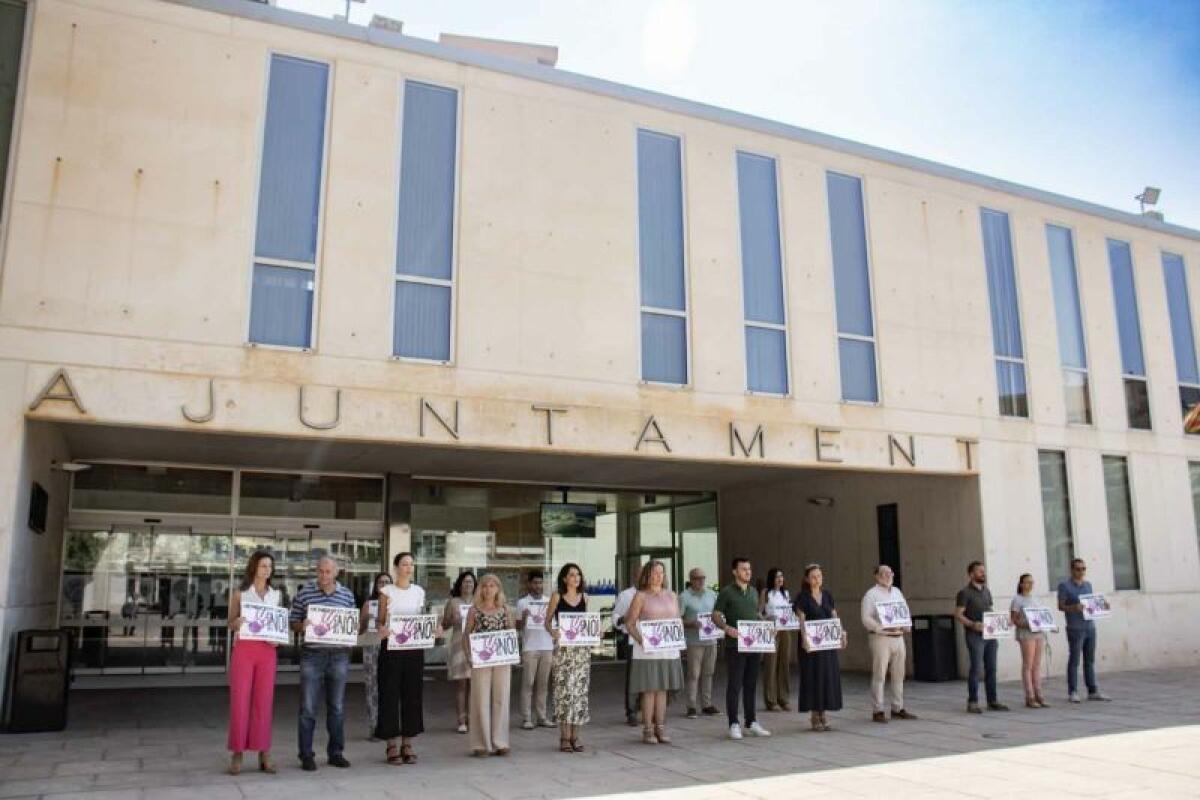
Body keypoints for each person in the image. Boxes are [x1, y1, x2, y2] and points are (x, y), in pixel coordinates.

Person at [290, 555, 357, 771]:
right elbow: (292, 623)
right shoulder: (305, 593)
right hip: (312, 655)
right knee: (307, 708)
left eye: (328, 572)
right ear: (316, 571)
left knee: (336, 708)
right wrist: (303, 625)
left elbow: (351, 626)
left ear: (336, 573)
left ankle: (336, 753)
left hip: (339, 656)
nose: (324, 575)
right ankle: (306, 755)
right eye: (320, 571)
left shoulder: (346, 595)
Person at [376, 552, 439, 765]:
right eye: (404, 564)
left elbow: (422, 618)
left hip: (413, 649)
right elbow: (380, 621)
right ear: (396, 567)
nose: (408, 568)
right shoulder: (386, 591)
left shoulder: (419, 591)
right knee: (390, 693)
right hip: (392, 648)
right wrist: (382, 629)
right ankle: (391, 744)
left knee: (412, 694)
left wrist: (432, 629)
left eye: (411, 564)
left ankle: (408, 741)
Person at [226, 550, 281, 775]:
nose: (266, 570)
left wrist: (278, 638)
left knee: (264, 702)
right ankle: (237, 752)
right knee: (240, 701)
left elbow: (278, 623)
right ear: (253, 568)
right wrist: (236, 622)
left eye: (269, 566)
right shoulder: (240, 593)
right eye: (262, 566)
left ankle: (264, 752)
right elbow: (229, 623)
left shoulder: (276, 595)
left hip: (267, 651)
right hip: (244, 650)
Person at [712, 556, 771, 740]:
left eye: (749, 569)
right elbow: (715, 615)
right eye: (744, 569)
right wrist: (725, 627)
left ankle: (751, 721)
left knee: (751, 684)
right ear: (735, 571)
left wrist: (767, 627)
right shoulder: (727, 592)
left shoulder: (754, 592)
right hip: (735, 646)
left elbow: (755, 614)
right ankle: (733, 723)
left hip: (753, 644)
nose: (748, 572)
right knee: (735, 685)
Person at [626, 559, 684, 744]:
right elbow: (629, 623)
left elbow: (677, 621)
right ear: (647, 575)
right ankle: (648, 729)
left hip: (668, 650)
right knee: (650, 690)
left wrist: (678, 641)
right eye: (654, 572)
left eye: (661, 572)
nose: (658, 576)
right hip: (647, 650)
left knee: (663, 689)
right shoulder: (640, 596)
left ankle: (661, 727)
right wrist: (642, 640)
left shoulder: (672, 595)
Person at [463, 573, 515, 757]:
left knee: (501, 698)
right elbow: (466, 634)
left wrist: (511, 654)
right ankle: (481, 744)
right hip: (481, 660)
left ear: (498, 589)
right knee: (480, 699)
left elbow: (511, 632)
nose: (488, 589)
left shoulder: (506, 609)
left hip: (502, 660)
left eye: (492, 585)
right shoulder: (474, 610)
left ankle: (500, 741)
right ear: (480, 589)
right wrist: (469, 655)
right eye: (485, 585)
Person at [860, 564, 917, 723]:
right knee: (880, 675)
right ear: (876, 576)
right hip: (881, 639)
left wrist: (907, 625)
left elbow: (905, 611)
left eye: (889, 572)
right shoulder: (871, 595)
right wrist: (880, 628)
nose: (887, 575)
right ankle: (877, 710)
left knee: (899, 674)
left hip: (898, 637)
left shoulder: (897, 592)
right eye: (883, 573)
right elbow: (866, 618)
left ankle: (897, 708)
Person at [793, 564, 845, 731]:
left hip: (827, 645)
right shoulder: (803, 597)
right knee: (813, 677)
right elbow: (801, 620)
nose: (817, 579)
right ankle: (815, 715)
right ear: (807, 579)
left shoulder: (828, 595)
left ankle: (824, 714)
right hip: (811, 645)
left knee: (827, 677)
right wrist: (804, 639)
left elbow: (834, 616)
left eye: (820, 576)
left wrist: (841, 632)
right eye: (814, 576)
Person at [547, 562, 591, 753]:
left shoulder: (585, 598)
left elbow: (586, 623)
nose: (576, 578)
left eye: (578, 575)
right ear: (565, 578)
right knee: (564, 692)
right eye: (572, 575)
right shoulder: (557, 596)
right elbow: (546, 622)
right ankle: (564, 736)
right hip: (563, 650)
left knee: (579, 692)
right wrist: (553, 632)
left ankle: (576, 735)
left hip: (581, 651)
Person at [953, 561, 1008, 714]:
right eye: (979, 571)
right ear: (971, 574)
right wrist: (972, 624)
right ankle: (973, 701)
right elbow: (958, 614)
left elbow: (990, 609)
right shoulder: (964, 593)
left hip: (990, 634)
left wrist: (1002, 622)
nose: (983, 573)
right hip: (974, 635)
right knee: (976, 668)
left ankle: (993, 700)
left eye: (984, 571)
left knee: (992, 668)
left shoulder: (986, 591)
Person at [1057, 558, 1110, 703]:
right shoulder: (1064, 586)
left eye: (1083, 569)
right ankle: (1072, 691)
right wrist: (1074, 607)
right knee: (1074, 660)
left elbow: (1092, 603)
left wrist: (1102, 606)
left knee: (1090, 660)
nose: (1081, 572)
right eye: (1078, 569)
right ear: (1072, 570)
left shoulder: (1088, 585)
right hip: (1075, 627)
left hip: (1090, 626)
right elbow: (1060, 606)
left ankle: (1092, 690)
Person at [679, 567, 719, 718]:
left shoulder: (711, 594)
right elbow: (678, 619)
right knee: (694, 674)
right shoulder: (684, 597)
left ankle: (707, 704)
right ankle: (691, 706)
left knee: (709, 672)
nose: (701, 580)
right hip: (694, 640)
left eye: (703, 577)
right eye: (697, 578)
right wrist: (691, 623)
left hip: (711, 639)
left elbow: (717, 613)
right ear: (691, 580)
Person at [517, 570, 555, 729]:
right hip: (530, 648)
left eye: (540, 583)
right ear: (529, 584)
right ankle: (526, 718)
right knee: (528, 683)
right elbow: (517, 627)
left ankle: (542, 716)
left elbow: (554, 624)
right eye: (535, 583)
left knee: (543, 684)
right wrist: (524, 618)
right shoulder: (522, 603)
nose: (538, 586)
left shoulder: (549, 602)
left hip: (547, 646)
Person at [441, 571, 477, 733]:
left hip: (476, 645)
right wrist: (452, 620)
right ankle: (461, 719)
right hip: (458, 644)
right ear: (460, 584)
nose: (468, 585)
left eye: (471, 582)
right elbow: (444, 624)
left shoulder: (479, 602)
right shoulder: (453, 602)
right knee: (461, 683)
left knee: (475, 684)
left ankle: (473, 717)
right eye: (465, 582)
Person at [359, 572, 391, 739]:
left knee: (388, 687)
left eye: (387, 581)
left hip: (390, 647)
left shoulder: (395, 603)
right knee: (372, 687)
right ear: (376, 585)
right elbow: (359, 629)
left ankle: (387, 726)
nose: (384, 584)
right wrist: (366, 620)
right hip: (371, 646)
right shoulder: (368, 604)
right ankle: (374, 726)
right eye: (381, 581)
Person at [610, 564, 643, 726]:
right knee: (633, 677)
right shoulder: (625, 595)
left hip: (651, 642)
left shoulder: (653, 594)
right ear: (634, 577)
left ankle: (646, 709)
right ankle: (631, 711)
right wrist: (626, 617)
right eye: (640, 575)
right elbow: (615, 618)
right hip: (632, 641)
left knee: (648, 676)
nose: (643, 578)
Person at [1011, 573, 1049, 708]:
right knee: (1028, 664)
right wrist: (1027, 623)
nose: (1030, 584)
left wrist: (1047, 623)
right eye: (1027, 582)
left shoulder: (1036, 598)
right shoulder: (1017, 599)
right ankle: (1030, 696)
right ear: (1021, 584)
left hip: (1038, 633)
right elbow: (1014, 619)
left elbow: (1042, 615)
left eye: (1032, 582)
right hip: (1026, 634)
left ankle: (1039, 694)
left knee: (1037, 665)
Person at [759, 567, 793, 712]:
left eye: (782, 576)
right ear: (772, 578)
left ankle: (783, 698)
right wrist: (767, 618)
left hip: (785, 630)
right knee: (771, 665)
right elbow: (759, 612)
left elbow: (789, 612)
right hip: (772, 630)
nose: (780, 579)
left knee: (784, 664)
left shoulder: (785, 593)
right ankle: (770, 700)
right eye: (777, 577)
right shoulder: (766, 593)